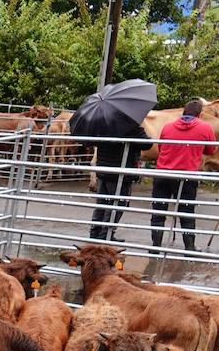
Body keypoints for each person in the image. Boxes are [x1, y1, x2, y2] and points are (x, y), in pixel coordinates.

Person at [150, 99, 217, 254]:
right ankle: (189, 248)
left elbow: (161, 147)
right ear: (200, 114)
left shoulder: (168, 127)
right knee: (186, 212)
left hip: (163, 174)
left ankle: (155, 247)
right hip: (186, 175)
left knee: (158, 211)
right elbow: (211, 150)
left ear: (183, 113)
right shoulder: (205, 127)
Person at [89, 120, 149, 243]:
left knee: (101, 203)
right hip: (120, 174)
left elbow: (94, 142)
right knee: (117, 204)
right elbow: (147, 144)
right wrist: (139, 129)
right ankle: (106, 234)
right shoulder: (131, 126)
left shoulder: (102, 124)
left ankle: (95, 232)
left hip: (103, 170)